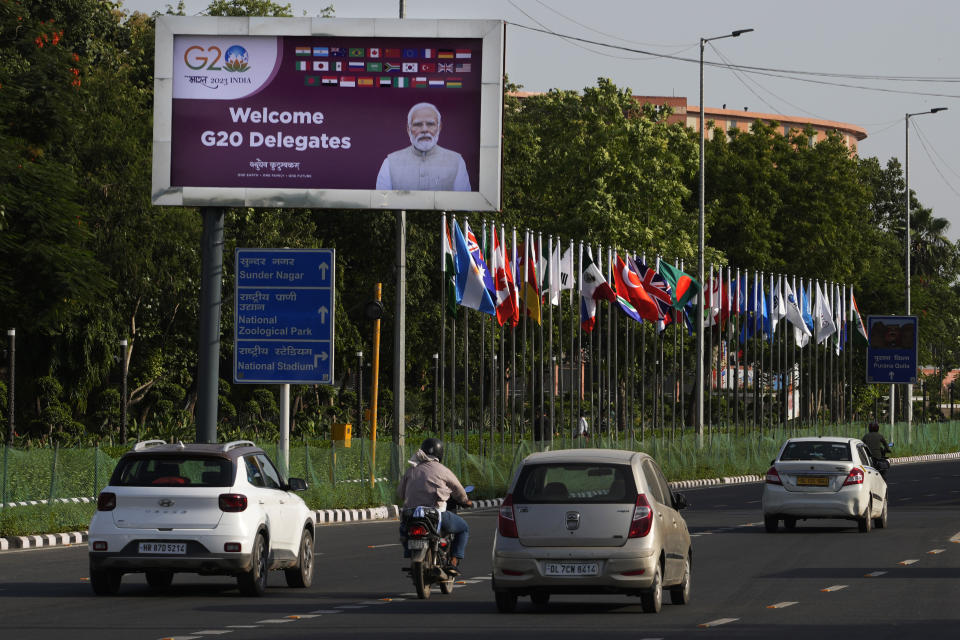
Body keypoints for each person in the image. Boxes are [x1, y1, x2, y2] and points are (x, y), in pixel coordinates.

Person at [398, 437, 472, 575]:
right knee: (464, 529)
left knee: (403, 530)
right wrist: (465, 500)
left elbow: (400, 493)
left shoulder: (411, 470)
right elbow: (458, 489)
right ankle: (453, 562)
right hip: (435, 515)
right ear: (440, 453)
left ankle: (409, 552)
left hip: (411, 515)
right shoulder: (442, 470)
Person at [375, 102, 471, 191]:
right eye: (417, 124)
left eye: (430, 124)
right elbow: (382, 203)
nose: (424, 129)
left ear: (439, 127)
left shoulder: (457, 161)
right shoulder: (390, 163)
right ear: (408, 129)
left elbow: (463, 203)